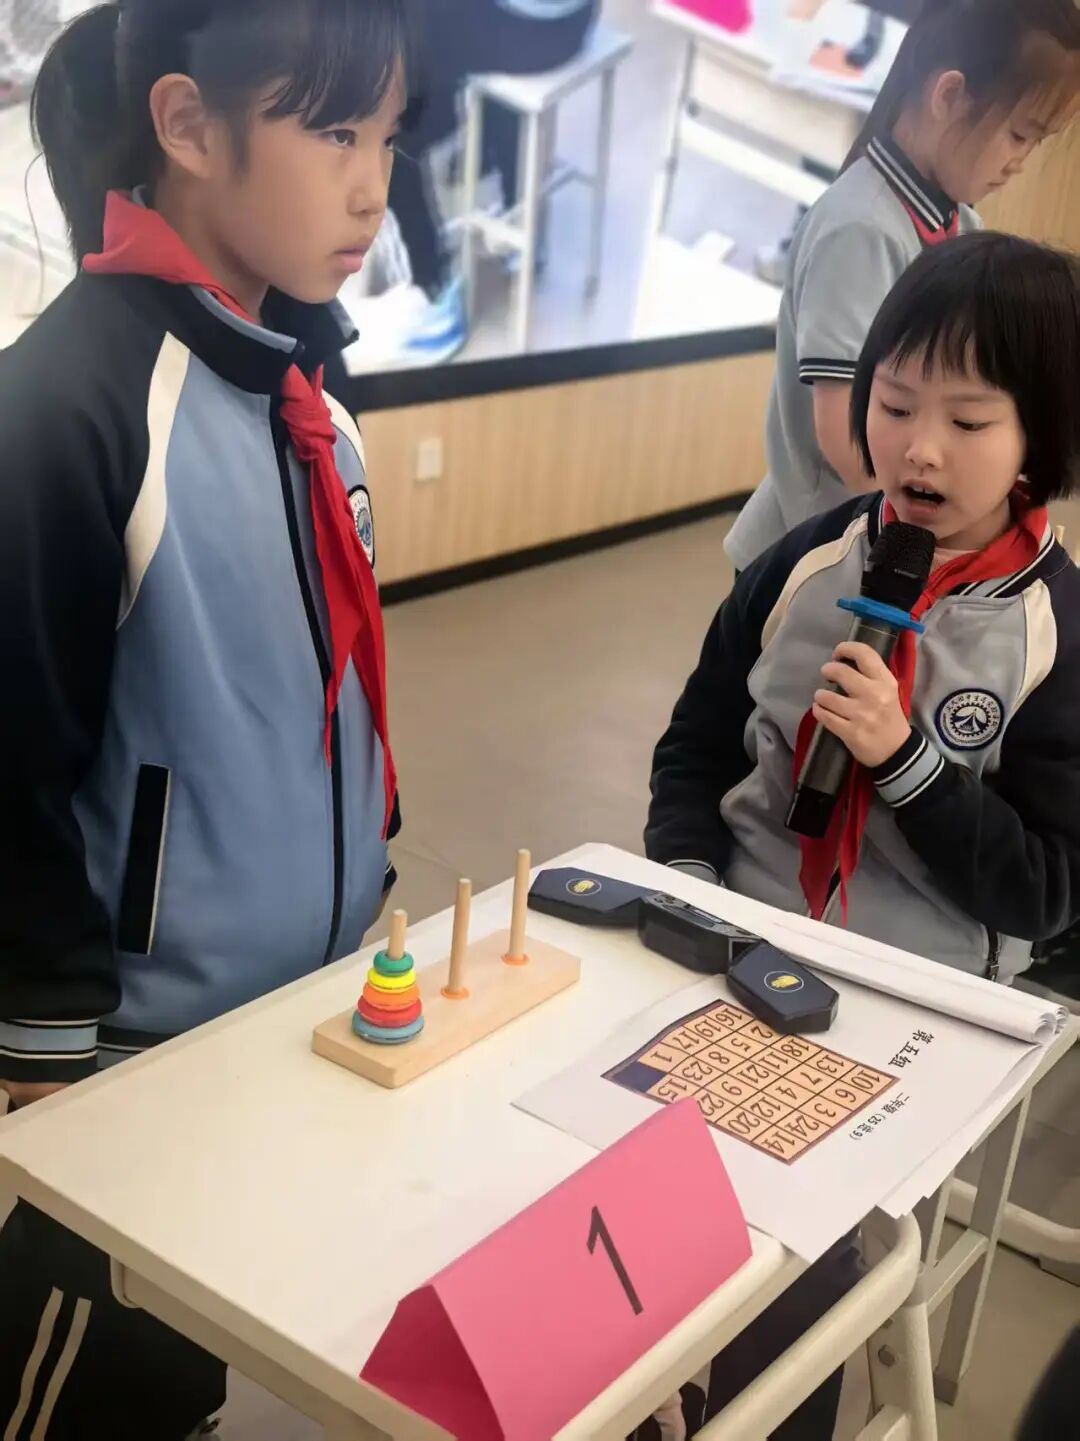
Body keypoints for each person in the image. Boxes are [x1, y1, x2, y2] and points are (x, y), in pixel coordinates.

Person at [0, 1, 410, 1436]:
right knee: (87, 1379)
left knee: (191, 1364)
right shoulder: (67, 407)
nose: (373, 187)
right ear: (186, 126)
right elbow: (11, 764)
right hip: (131, 1055)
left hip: (287, 1013)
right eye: (335, 131)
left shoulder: (308, 395)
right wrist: (46, 1058)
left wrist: (369, 871)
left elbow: (327, 683)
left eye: (389, 137)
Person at [646, 231, 1080, 1436]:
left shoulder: (1055, 635)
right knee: (636, 1221)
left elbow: (1047, 891)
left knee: (796, 1290)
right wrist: (688, 880)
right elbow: (694, 749)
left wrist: (908, 762)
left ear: (1041, 438)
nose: (919, 447)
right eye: (893, 404)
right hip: (732, 956)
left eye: (969, 420)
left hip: (909, 1008)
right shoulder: (804, 561)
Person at [725, 0, 1080, 574]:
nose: (1021, 161)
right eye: (1019, 134)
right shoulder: (860, 229)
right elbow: (845, 440)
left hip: (872, 538)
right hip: (811, 555)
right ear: (949, 94)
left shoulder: (960, 225)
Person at [344, 0, 598, 368]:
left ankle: (427, 297)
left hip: (524, 30)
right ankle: (519, 212)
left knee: (372, 86)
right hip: (573, 17)